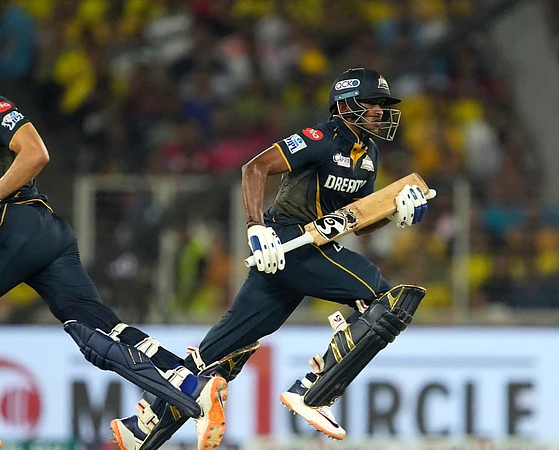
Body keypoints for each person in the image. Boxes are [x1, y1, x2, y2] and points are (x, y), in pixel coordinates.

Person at [0, 33, 227, 450]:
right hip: (47, 233)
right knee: (97, 328)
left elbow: (36, 153)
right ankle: (191, 384)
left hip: (19, 223)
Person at [111, 68, 437, 449]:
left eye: (384, 106)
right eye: (374, 104)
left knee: (215, 355)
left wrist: (392, 216)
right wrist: (255, 228)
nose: (381, 112)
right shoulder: (319, 139)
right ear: (346, 104)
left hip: (308, 248)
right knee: (388, 301)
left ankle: (142, 426)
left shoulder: (369, 155)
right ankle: (313, 392)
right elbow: (255, 167)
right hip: (285, 240)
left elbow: (354, 221)